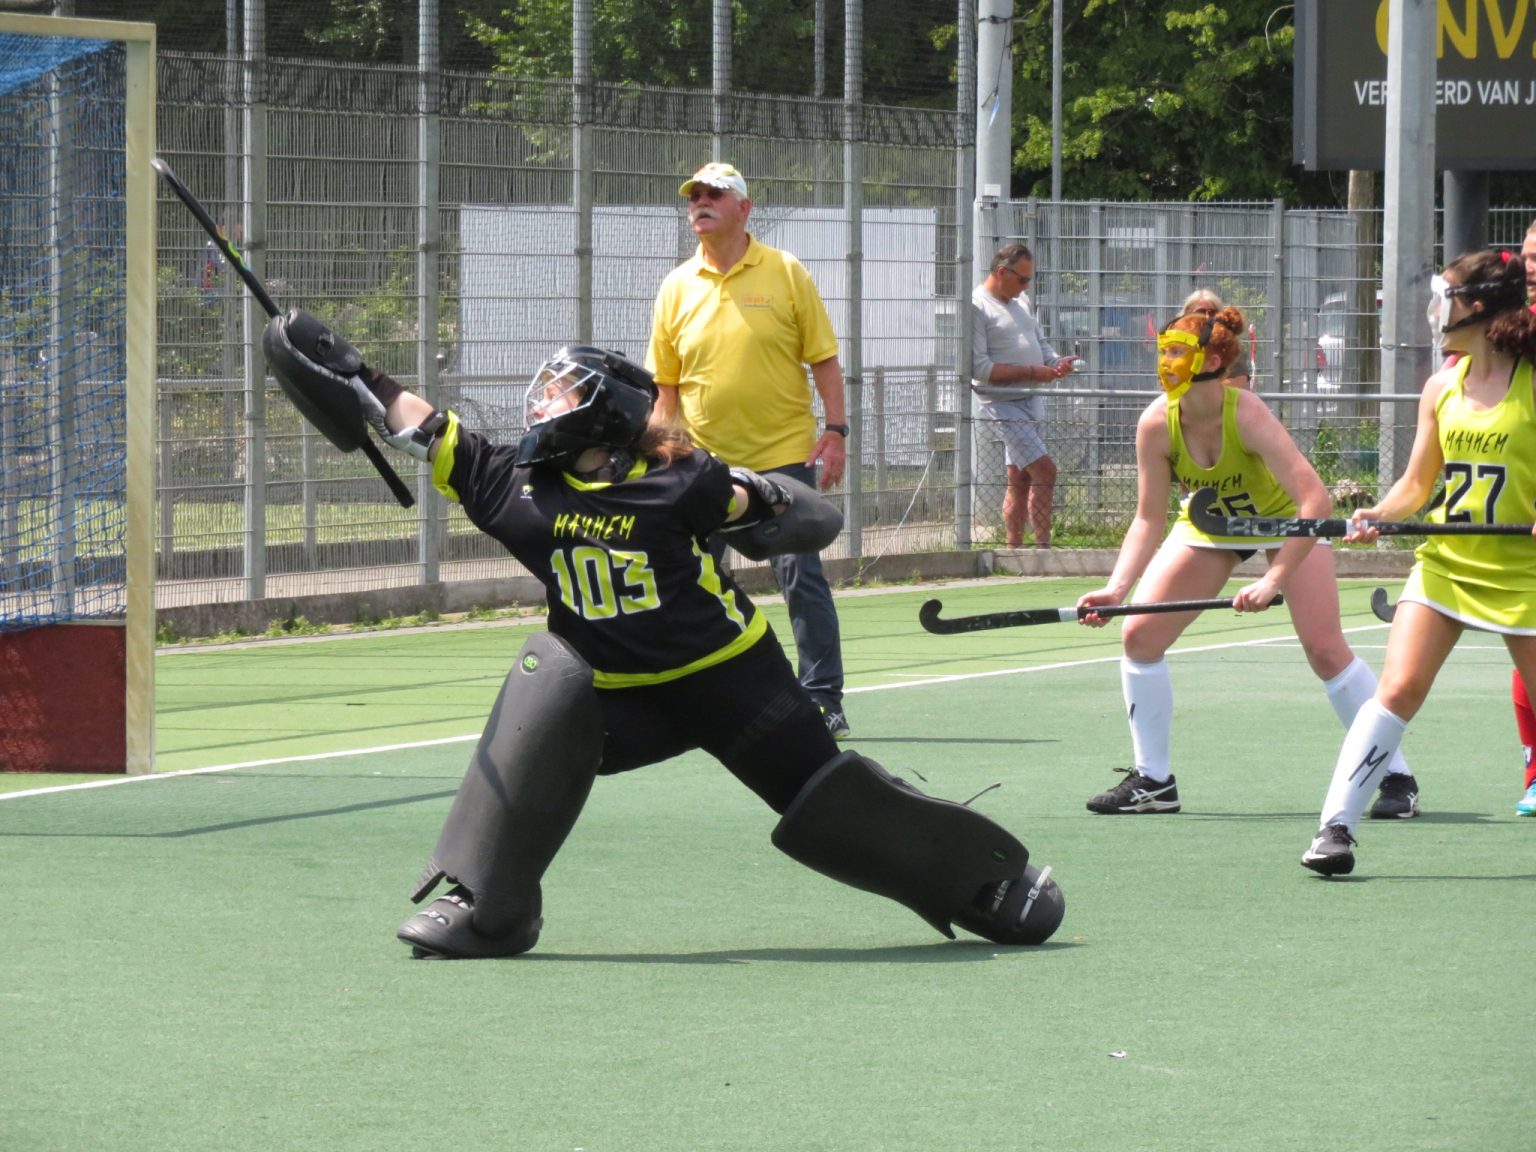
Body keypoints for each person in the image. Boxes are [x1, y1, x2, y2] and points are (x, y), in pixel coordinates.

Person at [258, 316, 1064, 956]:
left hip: (735, 686)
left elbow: (782, 514)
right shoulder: (515, 485)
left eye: (565, 392)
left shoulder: (680, 480)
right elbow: (426, 428)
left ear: (604, 412)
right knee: (543, 682)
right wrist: (357, 371)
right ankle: (489, 906)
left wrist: (770, 501)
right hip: (617, 704)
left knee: (833, 810)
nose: (546, 404)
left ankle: (986, 880)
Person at [1074, 304, 1417, 816]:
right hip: (1213, 525)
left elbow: (1315, 503)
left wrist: (1274, 578)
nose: (1166, 363)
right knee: (1139, 635)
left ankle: (1395, 778)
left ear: (1212, 359)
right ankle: (1154, 781)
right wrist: (1117, 588)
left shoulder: (1247, 413)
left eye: (1178, 352)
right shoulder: (1156, 423)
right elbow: (1148, 518)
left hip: (1286, 523)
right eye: (1163, 351)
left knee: (1325, 650)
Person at [1302, 249, 1536, 875]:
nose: (1438, 306)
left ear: (1480, 303)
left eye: (1448, 293)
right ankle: (1335, 829)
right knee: (1397, 688)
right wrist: (1378, 513)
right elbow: (1416, 483)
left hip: (1526, 575)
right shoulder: (1442, 385)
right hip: (1446, 564)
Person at [646, 161, 853, 741]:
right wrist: (656, 453)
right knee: (691, 579)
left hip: (783, 455)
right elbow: (666, 386)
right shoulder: (676, 286)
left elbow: (824, 361)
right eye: (694, 196)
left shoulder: (785, 272)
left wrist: (835, 430)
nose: (700, 203)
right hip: (701, 462)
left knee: (800, 576)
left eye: (715, 194)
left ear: (744, 207)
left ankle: (822, 698)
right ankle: (695, 696)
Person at [971, 243, 1078, 548]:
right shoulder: (977, 306)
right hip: (1001, 404)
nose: (1026, 286)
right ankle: (1042, 550)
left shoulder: (1022, 301)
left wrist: (1056, 363)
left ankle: (1014, 550)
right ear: (1002, 272)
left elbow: (1040, 344)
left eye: (1030, 280)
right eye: (1022, 280)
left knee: (1020, 479)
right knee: (1045, 470)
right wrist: (1032, 372)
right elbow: (980, 368)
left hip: (1030, 400)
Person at [1180, 289, 1252, 390]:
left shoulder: (1229, 344)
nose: (1207, 316)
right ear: (1187, 313)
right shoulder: (1177, 343)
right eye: (1201, 311)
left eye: (1213, 312)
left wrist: (1201, 392)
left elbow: (1239, 381)